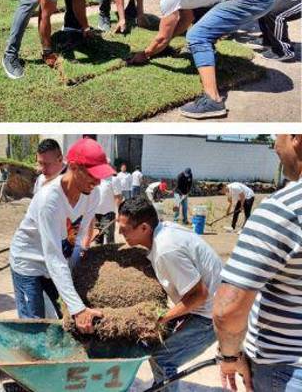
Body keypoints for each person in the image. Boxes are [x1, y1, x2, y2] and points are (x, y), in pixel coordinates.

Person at [130, 0, 276, 119]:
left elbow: (162, 37)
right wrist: (164, 44)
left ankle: (213, 100)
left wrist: (145, 54)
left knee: (197, 36)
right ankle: (210, 62)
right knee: (202, 31)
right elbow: (187, 18)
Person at [212, 134, 302, 392]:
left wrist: (229, 356)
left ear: (296, 137)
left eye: (279, 135)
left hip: (286, 368)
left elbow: (228, 309)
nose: (275, 144)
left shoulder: (284, 209)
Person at [117, 196, 224, 392]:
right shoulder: (163, 230)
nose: (119, 233)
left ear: (144, 228)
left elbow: (199, 294)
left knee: (163, 357)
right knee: (158, 349)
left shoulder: (166, 250)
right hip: (206, 304)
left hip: (212, 315)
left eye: (124, 230)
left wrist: (161, 318)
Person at [9, 138, 113, 327]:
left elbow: (80, 235)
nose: (97, 182)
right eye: (92, 175)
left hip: (54, 262)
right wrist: (78, 308)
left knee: (58, 319)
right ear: (73, 166)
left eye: (100, 176)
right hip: (28, 260)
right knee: (35, 324)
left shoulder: (93, 195)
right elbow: (53, 255)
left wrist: (73, 267)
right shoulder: (50, 200)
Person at [94, 173, 119, 244]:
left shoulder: (114, 180)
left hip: (108, 213)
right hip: (95, 214)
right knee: (97, 237)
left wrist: (118, 212)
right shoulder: (95, 179)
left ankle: (111, 254)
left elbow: (118, 197)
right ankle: (98, 253)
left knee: (109, 238)